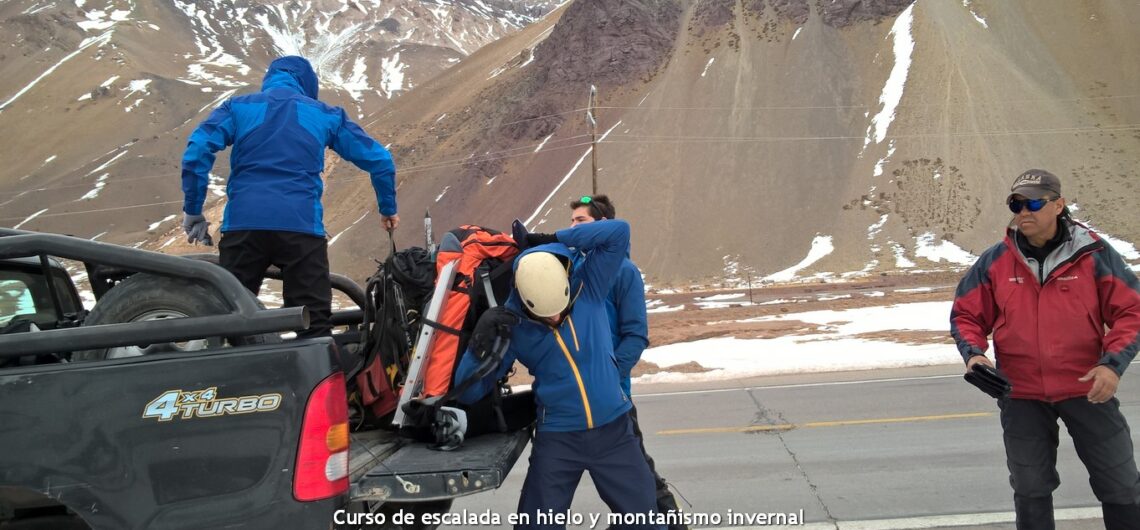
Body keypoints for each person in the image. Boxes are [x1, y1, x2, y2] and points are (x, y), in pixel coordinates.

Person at [950, 169, 1140, 529]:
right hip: (1020, 394)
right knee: (1030, 488)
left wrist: (1112, 365)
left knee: (1121, 485)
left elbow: (1132, 309)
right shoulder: (996, 261)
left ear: (1058, 205)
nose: (1024, 211)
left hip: (1088, 390)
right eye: (1016, 203)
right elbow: (966, 314)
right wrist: (974, 354)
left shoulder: (1094, 254)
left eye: (1034, 202)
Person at [454, 219, 664, 530]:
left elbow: (619, 232)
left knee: (645, 524)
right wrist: (478, 348)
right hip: (558, 440)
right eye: (544, 312)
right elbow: (469, 391)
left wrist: (554, 237)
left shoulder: (589, 286)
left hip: (615, 432)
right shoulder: (514, 326)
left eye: (560, 308)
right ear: (525, 302)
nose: (554, 317)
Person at [180, 56, 398, 338]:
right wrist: (387, 209)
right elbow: (381, 161)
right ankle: (315, 379)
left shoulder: (238, 107)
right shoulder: (325, 114)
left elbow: (196, 152)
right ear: (309, 84)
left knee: (230, 323)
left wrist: (194, 210)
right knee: (313, 325)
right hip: (301, 230)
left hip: (244, 228)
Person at [569, 195, 686, 529]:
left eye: (582, 222)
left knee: (637, 472)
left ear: (603, 227)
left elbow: (635, 335)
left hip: (612, 396)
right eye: (572, 221)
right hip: (573, 398)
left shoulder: (624, 271)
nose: (574, 227)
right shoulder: (572, 267)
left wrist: (608, 377)